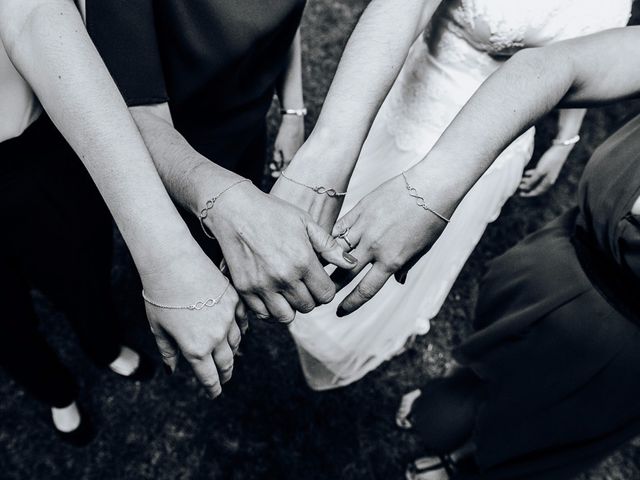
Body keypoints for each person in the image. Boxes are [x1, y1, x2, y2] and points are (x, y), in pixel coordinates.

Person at [271, 0, 633, 390]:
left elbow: (576, 57)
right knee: (345, 219)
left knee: (409, 260)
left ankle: (355, 330)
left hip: (498, 147)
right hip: (420, 103)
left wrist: (565, 139)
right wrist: (330, 150)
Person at [354, 26, 639, 479]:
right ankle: (456, 409)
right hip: (563, 258)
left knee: (539, 440)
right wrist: (430, 188)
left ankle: (465, 466)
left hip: (626, 353)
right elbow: (549, 65)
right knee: (488, 357)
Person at [0, 0, 243, 442]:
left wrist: (167, 257)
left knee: (80, 265)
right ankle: (55, 391)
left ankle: (104, 345)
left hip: (28, 143)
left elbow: (32, 13)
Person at [85, 0, 356, 329]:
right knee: (185, 244)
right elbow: (136, 112)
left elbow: (284, 23)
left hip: (247, 124)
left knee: (233, 240)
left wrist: (293, 112)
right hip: (174, 142)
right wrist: (221, 199)